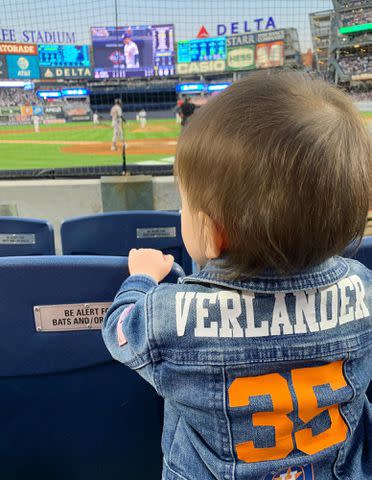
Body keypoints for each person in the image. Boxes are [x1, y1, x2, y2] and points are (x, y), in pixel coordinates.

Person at [102, 71, 372, 480]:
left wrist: (141, 279)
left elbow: (120, 330)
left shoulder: (169, 316)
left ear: (212, 233)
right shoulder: (364, 288)